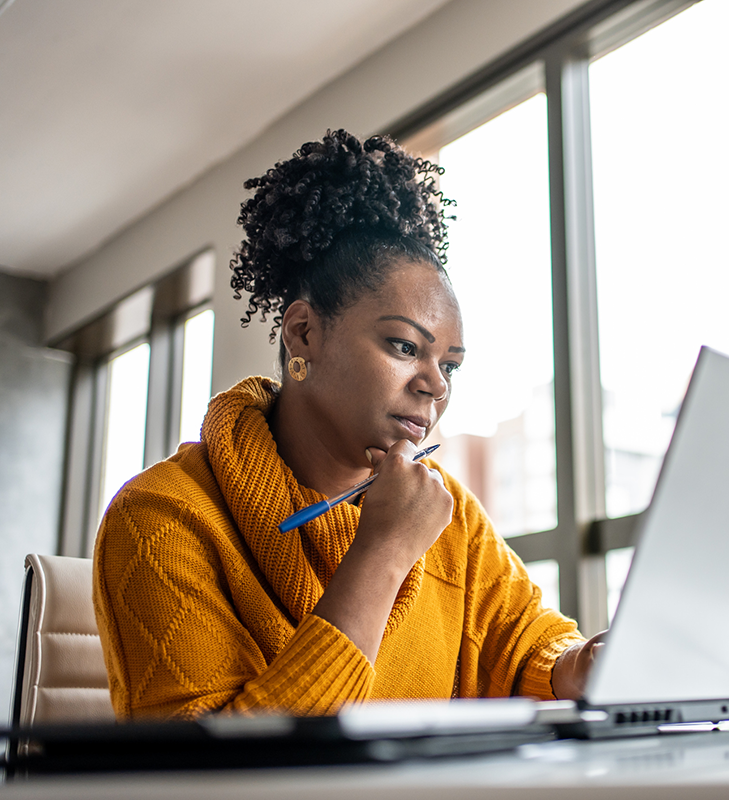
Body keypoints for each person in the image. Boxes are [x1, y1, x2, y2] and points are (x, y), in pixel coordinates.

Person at [92, 130, 601, 719]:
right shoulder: (162, 518)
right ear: (304, 332)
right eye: (404, 346)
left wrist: (576, 664)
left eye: (451, 366)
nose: (435, 384)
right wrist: (383, 553)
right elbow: (211, 781)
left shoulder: (449, 514)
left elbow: (523, 641)